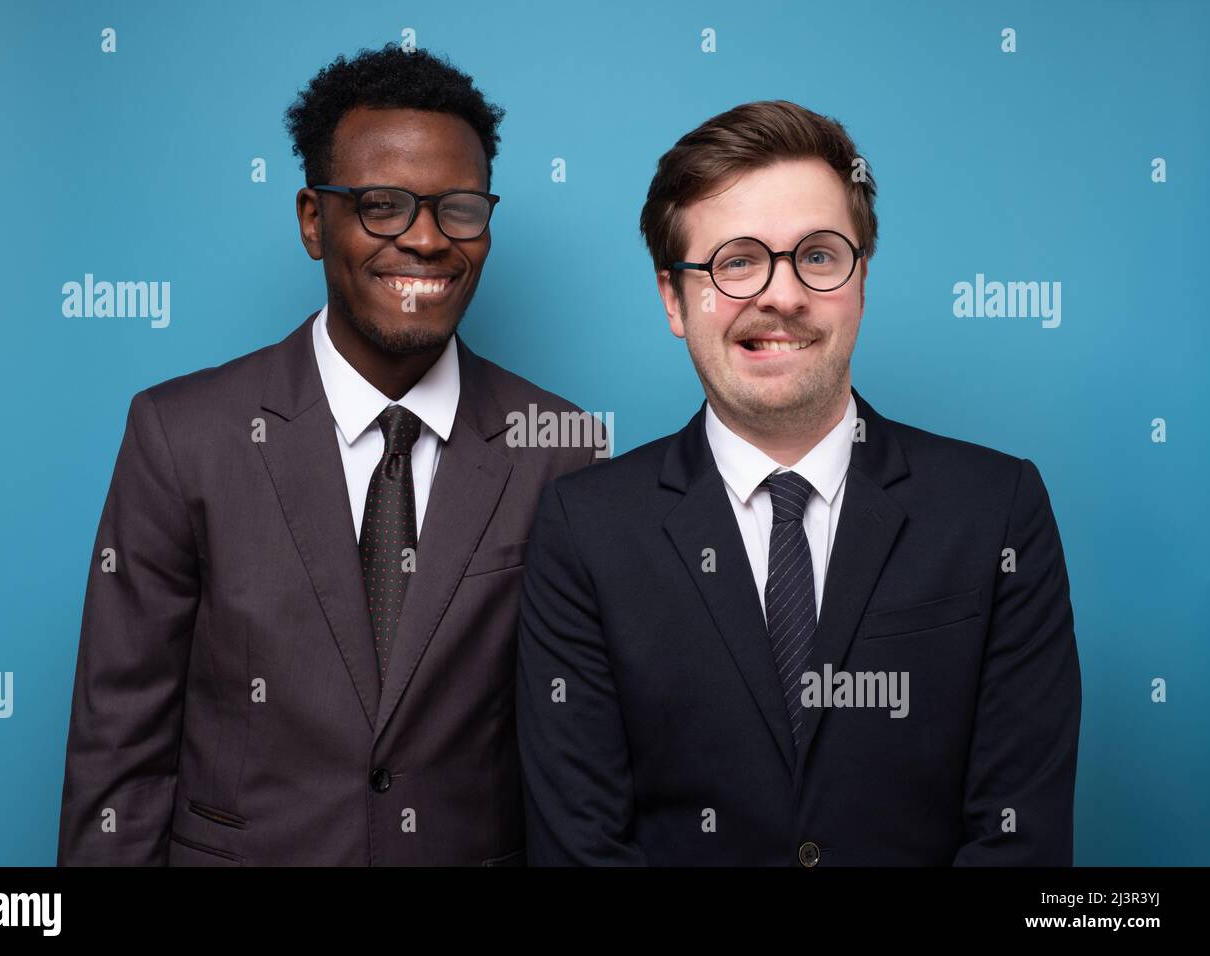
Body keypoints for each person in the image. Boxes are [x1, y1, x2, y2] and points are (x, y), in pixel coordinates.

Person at [58, 44, 599, 866]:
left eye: (457, 208)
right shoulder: (182, 435)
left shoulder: (561, 448)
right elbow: (119, 750)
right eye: (382, 205)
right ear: (315, 220)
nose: (425, 240)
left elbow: (577, 763)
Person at [516, 99, 1081, 865]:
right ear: (673, 299)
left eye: (817, 256)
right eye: (736, 261)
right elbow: (583, 846)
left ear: (861, 280)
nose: (781, 295)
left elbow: (1020, 841)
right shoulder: (586, 529)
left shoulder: (996, 510)